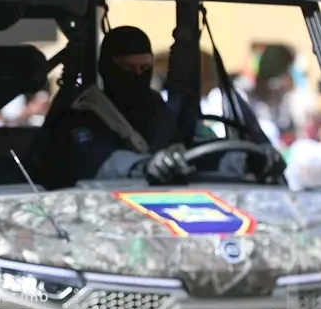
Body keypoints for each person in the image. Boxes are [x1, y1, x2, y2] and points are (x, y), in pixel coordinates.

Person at [43, 25, 207, 189]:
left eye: (145, 68)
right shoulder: (83, 113)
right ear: (107, 68)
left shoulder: (157, 108)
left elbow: (185, 146)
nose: (138, 74)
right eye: (128, 68)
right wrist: (144, 167)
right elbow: (97, 160)